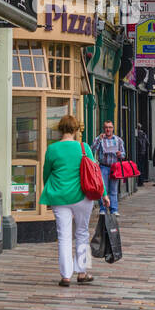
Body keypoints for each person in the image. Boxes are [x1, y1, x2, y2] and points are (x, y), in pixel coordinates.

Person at [39, 115, 100, 287]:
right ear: (75, 130)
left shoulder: (52, 149)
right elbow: (94, 171)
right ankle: (82, 272)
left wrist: (50, 191)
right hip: (82, 196)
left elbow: (46, 174)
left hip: (59, 196)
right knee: (82, 232)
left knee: (64, 235)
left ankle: (65, 276)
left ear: (60, 129)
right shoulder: (83, 147)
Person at [91, 120, 126, 216]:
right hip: (103, 167)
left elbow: (123, 154)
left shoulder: (118, 140)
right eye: (106, 127)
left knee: (113, 189)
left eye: (110, 127)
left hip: (115, 167)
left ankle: (114, 210)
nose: (108, 129)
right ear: (104, 129)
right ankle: (102, 209)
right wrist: (99, 140)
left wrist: (120, 154)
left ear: (113, 128)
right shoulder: (99, 139)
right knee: (103, 189)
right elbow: (92, 149)